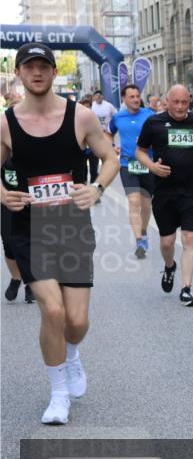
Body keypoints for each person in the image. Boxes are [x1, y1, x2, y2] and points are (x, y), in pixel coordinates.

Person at [0, 43, 119, 425]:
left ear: (53, 72)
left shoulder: (80, 117)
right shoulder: (6, 123)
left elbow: (111, 159)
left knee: (76, 322)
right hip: (29, 229)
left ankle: (71, 355)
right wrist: (3, 194)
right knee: (52, 310)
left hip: (71, 227)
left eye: (43, 67)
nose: (36, 73)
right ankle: (58, 395)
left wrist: (96, 189)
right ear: (19, 73)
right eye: (29, 67)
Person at [135, 84, 193, 306]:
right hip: (164, 191)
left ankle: (186, 288)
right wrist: (152, 167)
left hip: (192, 189)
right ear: (167, 102)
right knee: (167, 242)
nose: (181, 107)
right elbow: (140, 151)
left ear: (189, 102)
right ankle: (169, 266)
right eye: (176, 102)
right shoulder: (154, 123)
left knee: (189, 238)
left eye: (184, 102)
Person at [108, 84, 156, 258]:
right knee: (134, 201)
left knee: (146, 204)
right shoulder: (118, 117)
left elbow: (159, 134)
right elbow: (108, 133)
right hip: (128, 165)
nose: (136, 99)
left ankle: (143, 231)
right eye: (132, 97)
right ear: (124, 99)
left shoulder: (149, 115)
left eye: (137, 96)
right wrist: (112, 146)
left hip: (148, 164)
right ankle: (139, 241)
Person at [2, 157, 34, 303]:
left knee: (33, 242)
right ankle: (16, 277)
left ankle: (30, 283)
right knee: (9, 242)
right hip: (8, 200)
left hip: (34, 198)